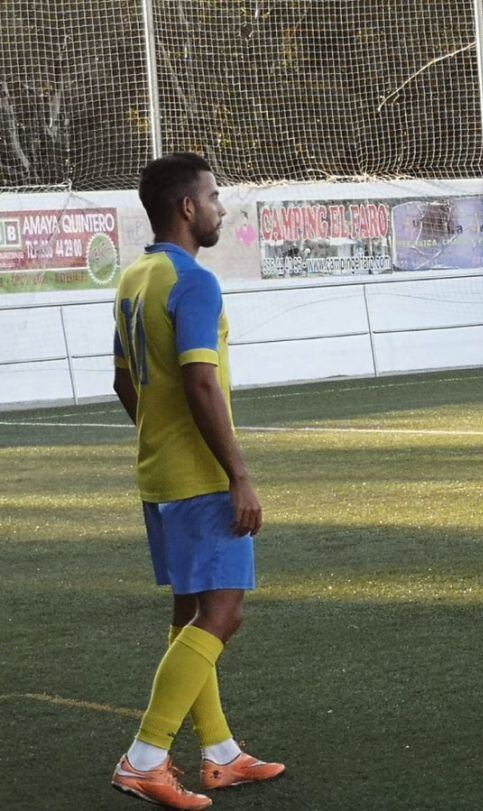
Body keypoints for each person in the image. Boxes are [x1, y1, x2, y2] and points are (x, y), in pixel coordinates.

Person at [110, 152, 284, 810]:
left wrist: (158, 435)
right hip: (200, 478)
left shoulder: (134, 277)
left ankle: (219, 754)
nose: (219, 207)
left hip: (158, 473)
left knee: (191, 611)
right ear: (187, 207)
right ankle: (144, 757)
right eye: (213, 196)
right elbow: (200, 378)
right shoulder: (193, 281)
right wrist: (239, 474)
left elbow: (124, 381)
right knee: (223, 611)